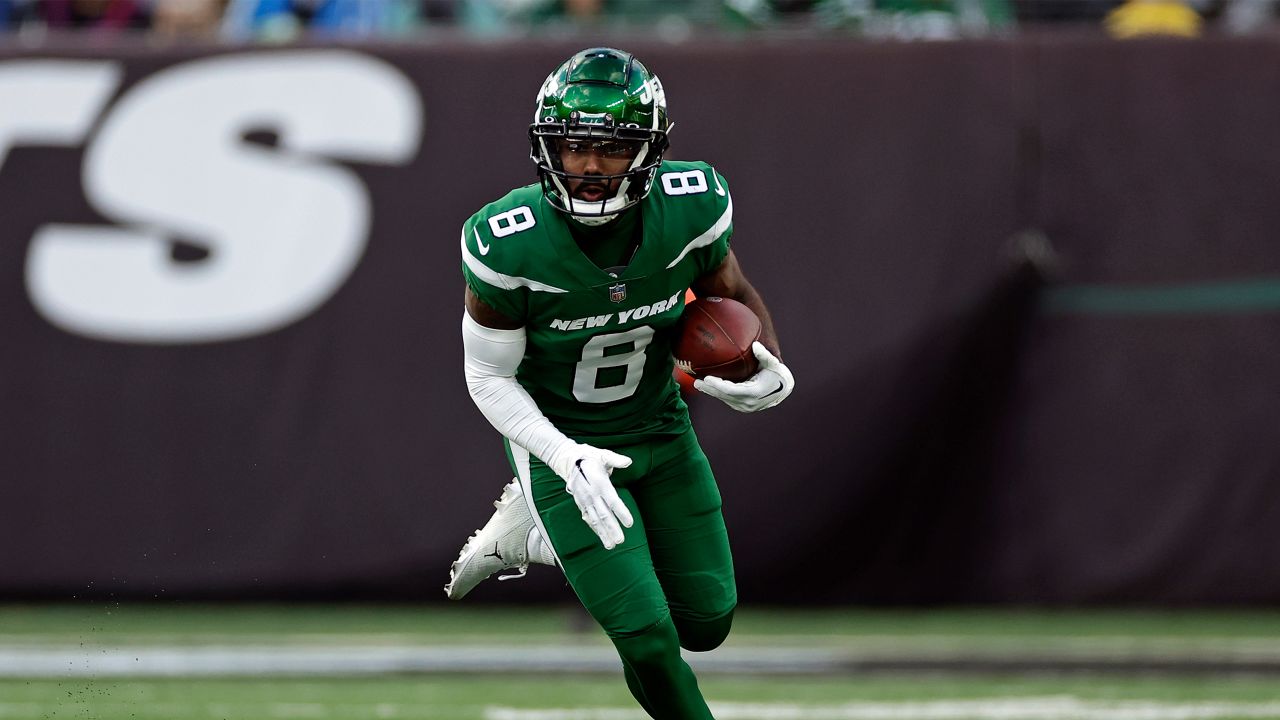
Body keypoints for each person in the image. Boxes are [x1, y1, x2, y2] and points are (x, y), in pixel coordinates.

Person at [446, 47, 795, 719]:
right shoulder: (506, 242)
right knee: (649, 639)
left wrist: (765, 366)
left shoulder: (693, 207)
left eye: (610, 148)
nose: (587, 166)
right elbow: (486, 376)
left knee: (706, 623)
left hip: (660, 429)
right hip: (561, 452)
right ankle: (541, 509)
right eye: (573, 146)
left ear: (650, 150)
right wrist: (560, 455)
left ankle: (535, 535)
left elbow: (731, 295)